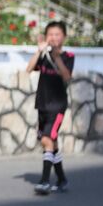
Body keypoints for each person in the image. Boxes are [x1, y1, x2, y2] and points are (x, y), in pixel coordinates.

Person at [26, 21, 74, 195]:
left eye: (57, 34)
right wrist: (39, 50)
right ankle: (62, 179)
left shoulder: (68, 56)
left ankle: (45, 181)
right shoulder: (43, 56)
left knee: (47, 139)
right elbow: (29, 68)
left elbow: (67, 75)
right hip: (43, 104)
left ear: (64, 37)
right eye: (50, 35)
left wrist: (56, 56)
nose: (53, 38)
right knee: (50, 143)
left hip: (57, 106)